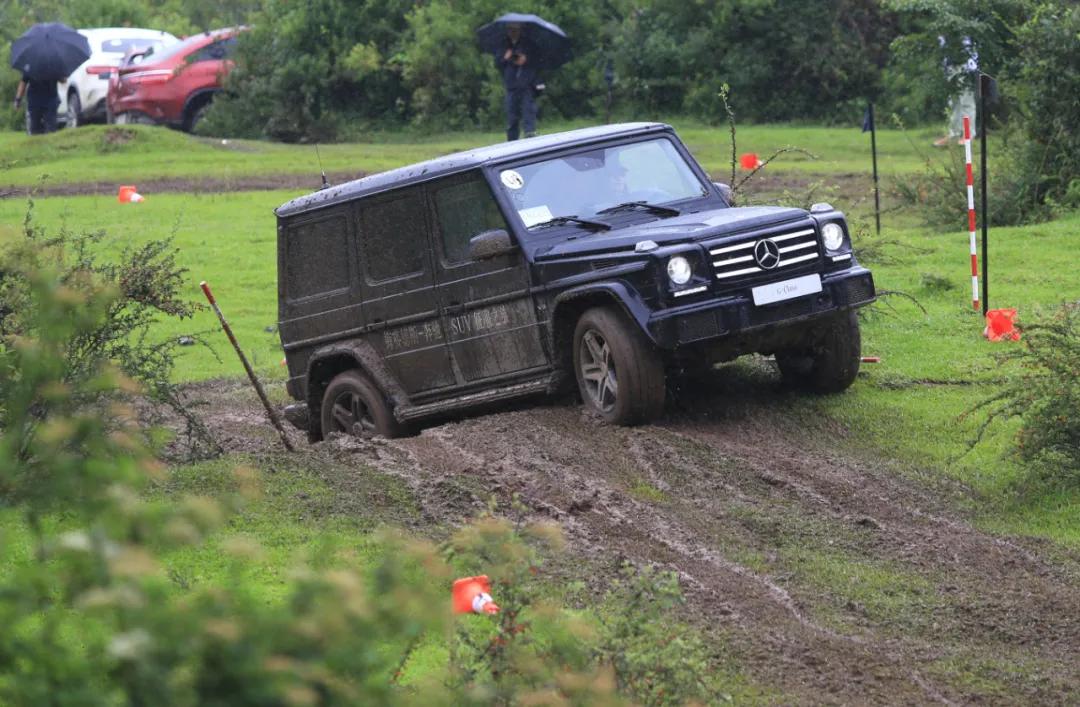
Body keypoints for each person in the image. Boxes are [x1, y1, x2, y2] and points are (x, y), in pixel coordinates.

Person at [496, 23, 538, 141]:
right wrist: (506, 57)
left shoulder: (528, 44)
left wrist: (525, 60)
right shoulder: (504, 44)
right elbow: (498, 63)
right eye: (510, 30)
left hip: (526, 84)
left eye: (515, 30)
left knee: (528, 112)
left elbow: (537, 60)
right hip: (511, 85)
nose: (512, 32)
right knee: (511, 115)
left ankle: (530, 138)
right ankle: (512, 141)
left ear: (520, 30)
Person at [934, 36, 978, 147]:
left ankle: (969, 135)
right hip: (950, 64)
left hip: (965, 65)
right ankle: (953, 135)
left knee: (966, 102)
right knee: (954, 102)